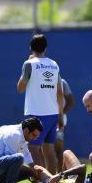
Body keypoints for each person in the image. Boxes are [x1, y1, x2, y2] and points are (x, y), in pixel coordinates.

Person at [17, 34, 64, 175]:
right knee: (49, 150)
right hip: (53, 113)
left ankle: (43, 182)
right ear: (46, 48)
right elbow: (60, 92)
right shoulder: (54, 64)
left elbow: (20, 88)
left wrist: (26, 64)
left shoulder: (29, 64)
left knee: (34, 150)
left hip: (36, 114)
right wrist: (60, 115)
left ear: (31, 47)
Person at [55, 78, 75, 172]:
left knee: (58, 149)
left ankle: (59, 175)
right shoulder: (39, 81)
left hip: (59, 121)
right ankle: (44, 177)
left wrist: (60, 115)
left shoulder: (62, 83)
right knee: (43, 149)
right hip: (44, 119)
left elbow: (70, 102)